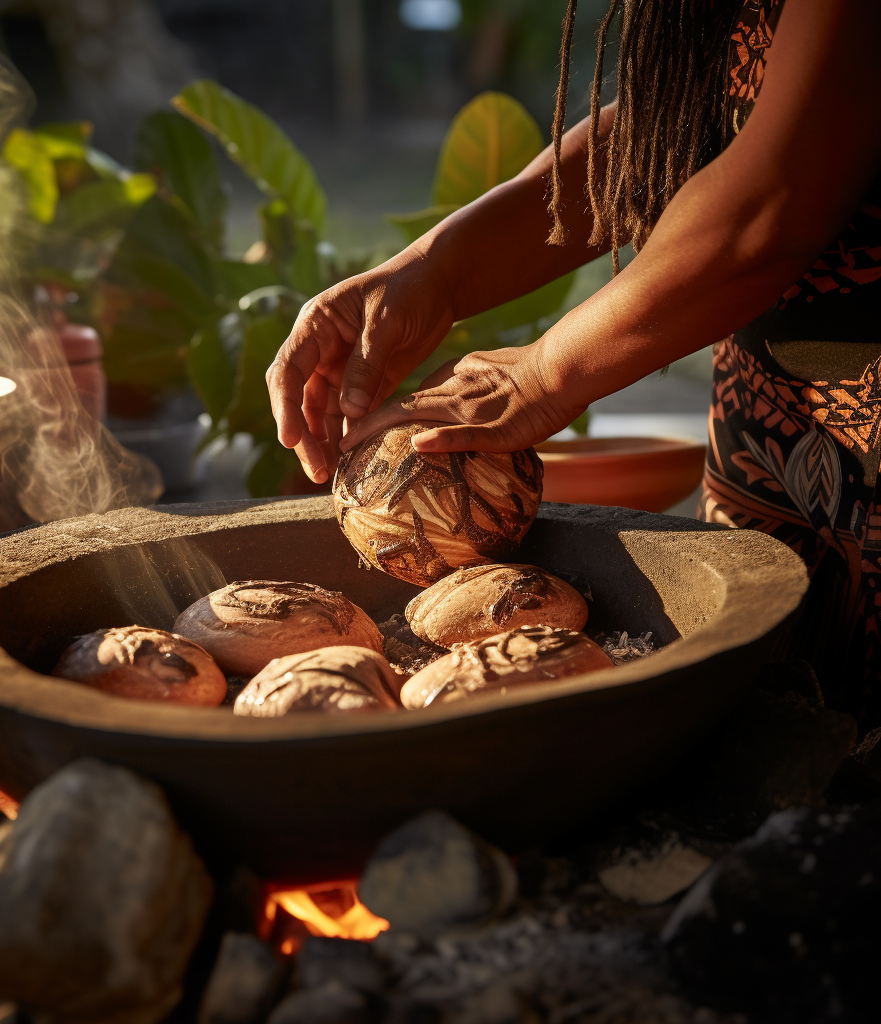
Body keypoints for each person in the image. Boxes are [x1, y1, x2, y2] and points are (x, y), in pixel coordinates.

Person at [266, 0, 881, 727]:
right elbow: (692, 125)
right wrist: (436, 270)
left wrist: (542, 373)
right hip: (772, 434)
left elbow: (782, 187)